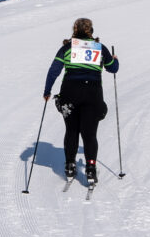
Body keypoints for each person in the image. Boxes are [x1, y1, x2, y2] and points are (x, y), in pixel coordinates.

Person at [43, 17, 119, 185]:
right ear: (91, 31)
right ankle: (90, 168)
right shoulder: (100, 48)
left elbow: (54, 70)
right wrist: (115, 59)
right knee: (89, 133)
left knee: (71, 130)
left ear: (74, 30)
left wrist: (47, 91)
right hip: (93, 93)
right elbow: (113, 68)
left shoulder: (67, 48)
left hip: (70, 92)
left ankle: (70, 165)